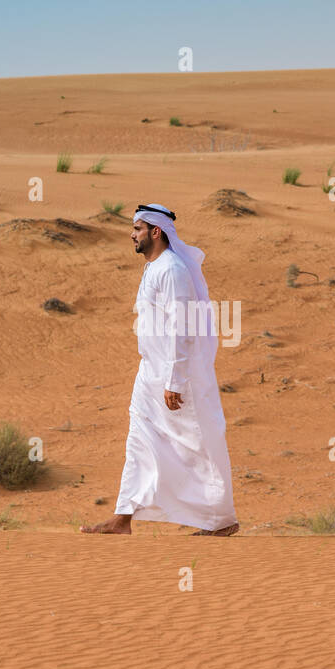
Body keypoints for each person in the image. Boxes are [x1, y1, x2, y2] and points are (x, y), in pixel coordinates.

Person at [83, 204, 239, 536]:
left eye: (137, 228)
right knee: (139, 438)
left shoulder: (172, 270)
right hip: (150, 373)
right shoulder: (154, 268)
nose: (132, 234)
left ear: (156, 231)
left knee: (197, 443)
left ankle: (221, 520)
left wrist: (175, 381)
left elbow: (182, 330)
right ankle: (123, 518)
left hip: (177, 377)